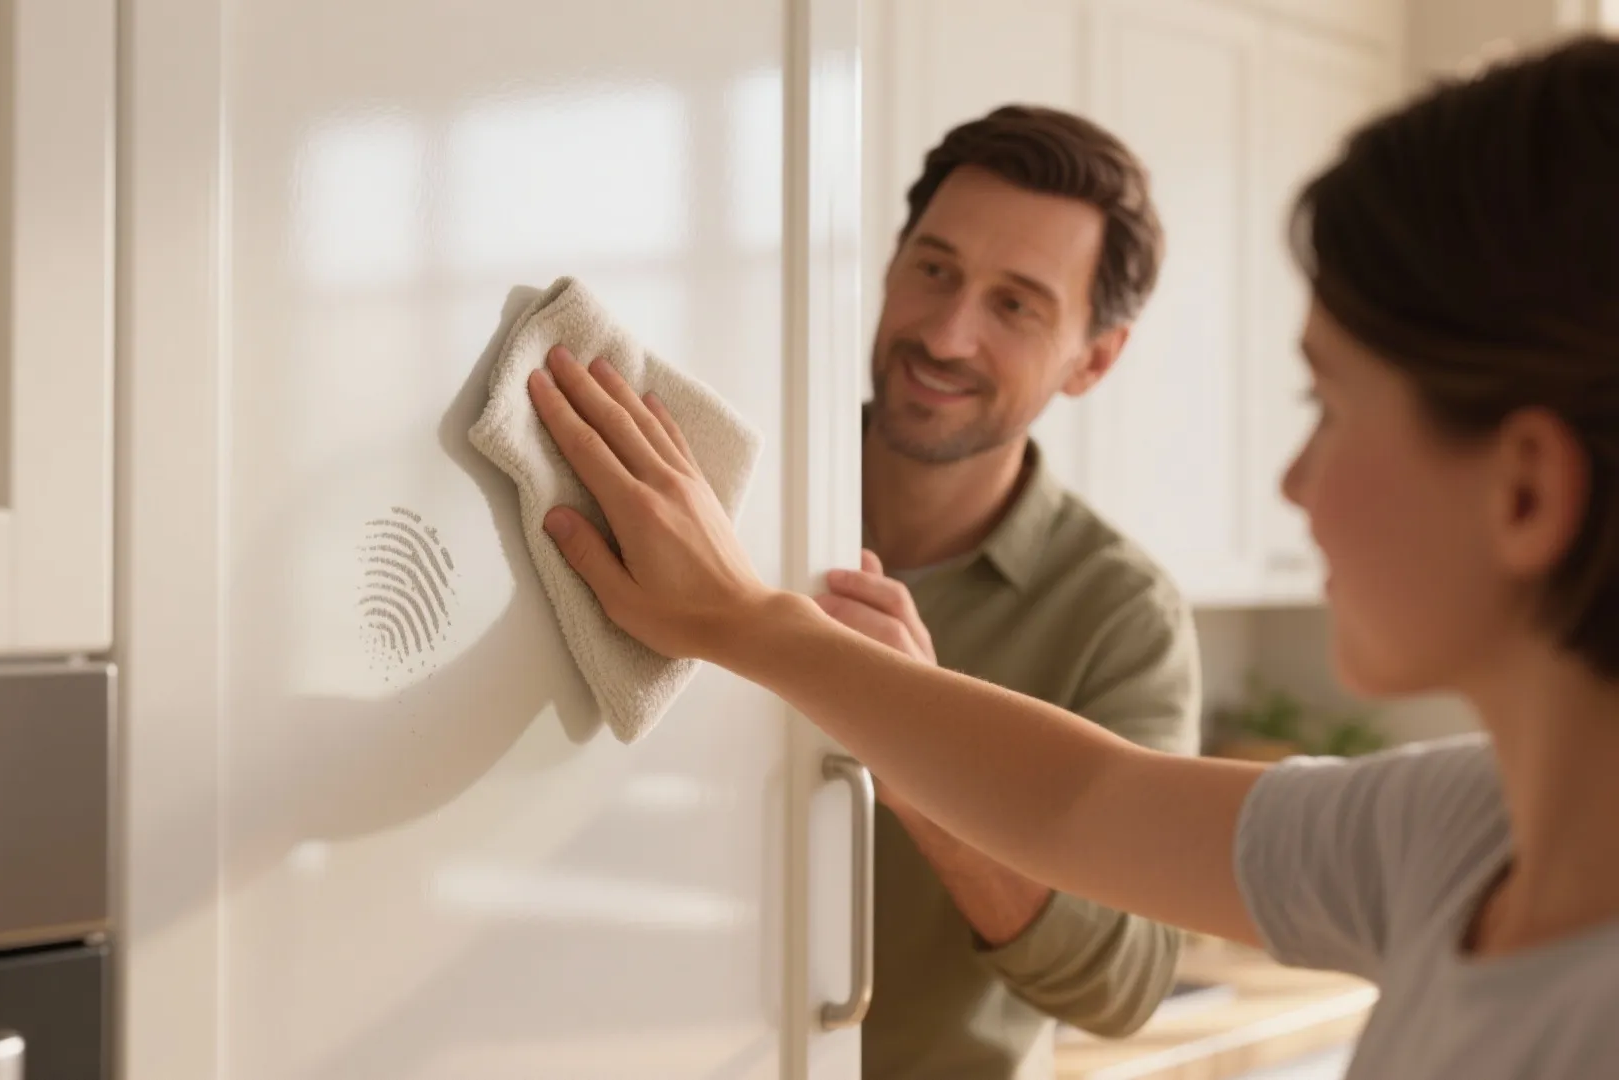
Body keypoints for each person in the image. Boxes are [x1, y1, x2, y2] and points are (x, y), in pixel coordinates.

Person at [523, 34, 1619, 1078]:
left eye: (1327, 406)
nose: (1294, 483)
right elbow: (1082, 801)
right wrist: (742, 620)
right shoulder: (1451, 832)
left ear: (1524, 491)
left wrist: (745, 626)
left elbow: (1116, 960)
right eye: (936, 271)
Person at [832, 108, 1199, 1078]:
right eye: (936, 269)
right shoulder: (743, 501)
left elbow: (1125, 981)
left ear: (1094, 359)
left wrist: (914, 743)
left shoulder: (1122, 617)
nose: (946, 335)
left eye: (1017, 306)